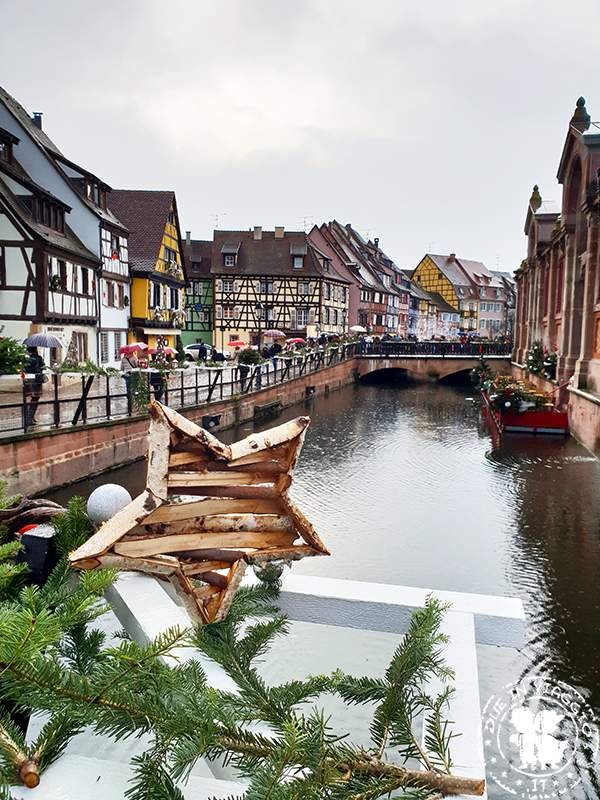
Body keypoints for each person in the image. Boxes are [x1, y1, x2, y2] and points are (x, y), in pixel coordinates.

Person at [23, 346, 45, 426]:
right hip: (36, 381)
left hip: (28, 381)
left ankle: (30, 417)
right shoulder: (38, 358)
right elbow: (42, 367)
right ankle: (29, 418)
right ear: (35, 350)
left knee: (33, 398)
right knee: (35, 398)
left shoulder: (27, 359)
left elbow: (25, 368)